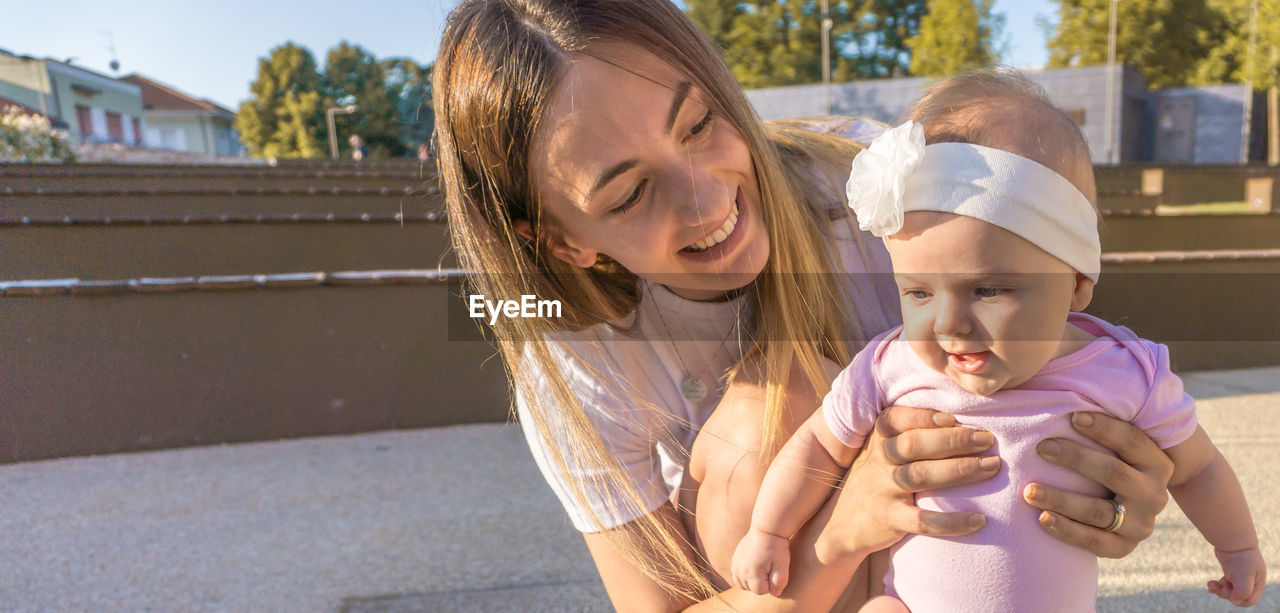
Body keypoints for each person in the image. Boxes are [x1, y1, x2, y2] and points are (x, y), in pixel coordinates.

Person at [431, 1, 1179, 610]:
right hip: (779, 587)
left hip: (963, 569)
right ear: (561, 241)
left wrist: (1114, 480)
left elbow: (1052, 336)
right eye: (629, 193)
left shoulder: (878, 192)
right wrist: (844, 527)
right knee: (778, 406)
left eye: (699, 125)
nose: (705, 197)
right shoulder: (578, 360)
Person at [730, 73, 1266, 612]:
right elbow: (818, 443)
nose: (950, 324)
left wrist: (1237, 547)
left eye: (988, 289)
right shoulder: (891, 366)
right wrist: (770, 532)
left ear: (1077, 281)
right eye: (917, 293)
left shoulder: (1123, 374)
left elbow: (1198, 467)